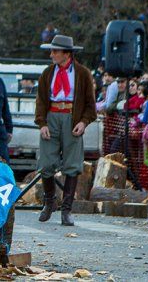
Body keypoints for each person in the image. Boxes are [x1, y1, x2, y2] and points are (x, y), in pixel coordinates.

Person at [34, 35, 96, 226]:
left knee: (72, 164)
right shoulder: (47, 73)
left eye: (55, 51)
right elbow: (41, 100)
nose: (51, 54)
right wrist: (42, 123)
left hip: (72, 118)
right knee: (46, 163)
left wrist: (83, 122)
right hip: (51, 117)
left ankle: (67, 209)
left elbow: (90, 104)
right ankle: (49, 201)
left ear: (67, 54)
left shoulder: (82, 73)